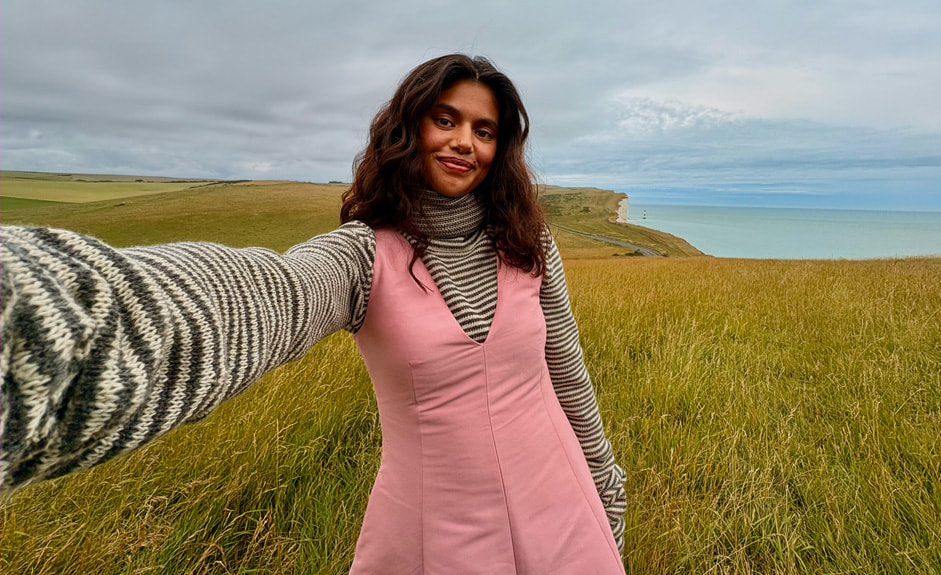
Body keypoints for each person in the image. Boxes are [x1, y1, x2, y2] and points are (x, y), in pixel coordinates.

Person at [0, 54, 626, 573]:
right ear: (410, 128)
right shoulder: (361, 253)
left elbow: (566, 373)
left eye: (484, 130)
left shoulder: (527, 241)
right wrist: (60, 310)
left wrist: (604, 480)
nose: (465, 142)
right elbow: (271, 296)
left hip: (562, 505)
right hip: (434, 537)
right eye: (446, 119)